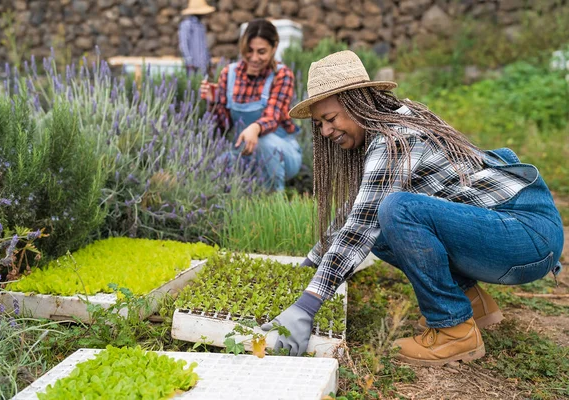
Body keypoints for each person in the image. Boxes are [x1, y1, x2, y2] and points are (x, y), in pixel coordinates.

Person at [261, 50, 564, 365]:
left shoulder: (395, 139)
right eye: (319, 124)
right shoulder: (388, 128)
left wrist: (307, 306)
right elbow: (354, 215)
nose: (324, 131)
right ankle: (470, 303)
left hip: (526, 235)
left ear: (356, 103)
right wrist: (305, 272)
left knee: (397, 210)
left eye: (330, 119)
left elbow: (359, 229)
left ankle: (453, 331)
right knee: (380, 222)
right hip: (512, 234)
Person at [200, 19, 302, 191]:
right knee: (218, 165)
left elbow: (272, 118)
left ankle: (274, 203)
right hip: (244, 153)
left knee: (263, 143)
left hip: (281, 153)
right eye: (249, 51)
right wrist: (213, 102)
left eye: (261, 52)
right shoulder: (229, 74)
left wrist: (254, 128)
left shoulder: (281, 75)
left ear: (274, 47)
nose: (254, 58)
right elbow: (223, 127)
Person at [178, 0, 214, 74]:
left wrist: (208, 60)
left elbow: (204, 45)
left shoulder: (201, 25)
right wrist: (189, 61)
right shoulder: (187, 25)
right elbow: (184, 44)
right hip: (193, 65)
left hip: (202, 65)